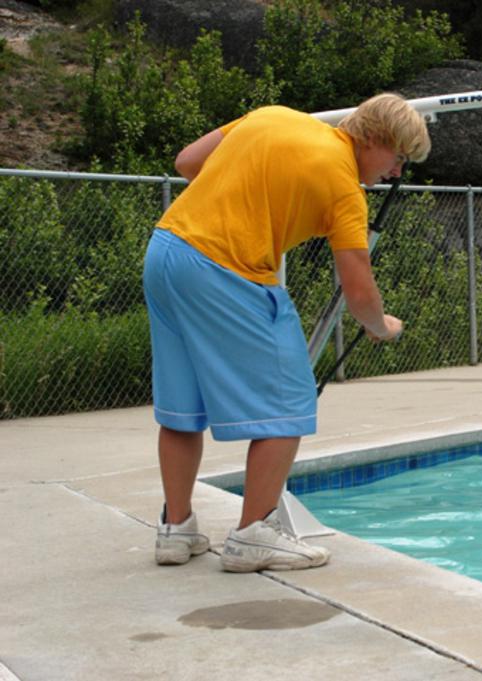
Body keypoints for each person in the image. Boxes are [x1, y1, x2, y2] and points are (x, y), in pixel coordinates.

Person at [145, 94, 429, 572]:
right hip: (226, 269)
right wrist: (383, 327)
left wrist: (248, 195)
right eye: (398, 158)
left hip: (167, 251)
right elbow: (358, 292)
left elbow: (188, 162)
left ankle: (176, 530)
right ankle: (254, 534)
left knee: (182, 407)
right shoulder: (344, 189)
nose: (397, 172)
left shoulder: (273, 117)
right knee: (292, 401)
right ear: (376, 139)